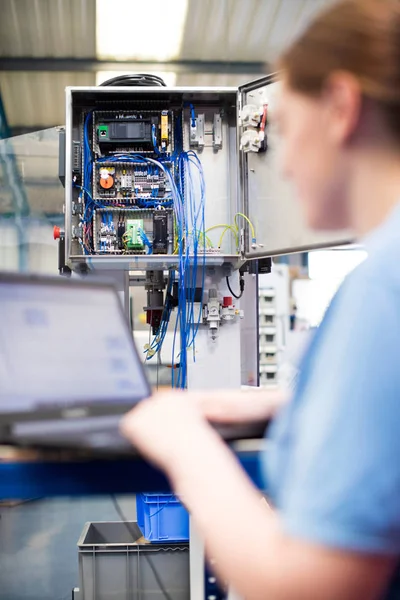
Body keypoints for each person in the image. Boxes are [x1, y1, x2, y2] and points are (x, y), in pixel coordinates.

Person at [121, 0, 400, 598]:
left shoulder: (383, 288)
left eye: (288, 133)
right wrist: (295, 402)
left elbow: (309, 587)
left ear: (342, 109)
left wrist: (181, 440)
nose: (286, 166)